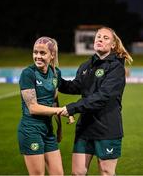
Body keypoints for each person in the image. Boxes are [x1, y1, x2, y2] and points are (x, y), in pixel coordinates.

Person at [58, 26, 133, 176]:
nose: (100, 39)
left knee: (106, 172)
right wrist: (56, 79)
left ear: (113, 45)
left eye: (106, 38)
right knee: (77, 172)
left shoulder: (116, 67)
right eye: (98, 36)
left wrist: (72, 108)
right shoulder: (86, 65)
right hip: (85, 128)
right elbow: (75, 86)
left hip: (107, 128)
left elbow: (102, 97)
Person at [17, 36, 64, 175]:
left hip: (48, 130)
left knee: (58, 173)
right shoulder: (28, 74)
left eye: (42, 53)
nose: (37, 56)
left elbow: (54, 100)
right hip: (30, 130)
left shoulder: (56, 73)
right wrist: (61, 111)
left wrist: (59, 128)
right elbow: (33, 108)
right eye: (35, 52)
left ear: (52, 54)